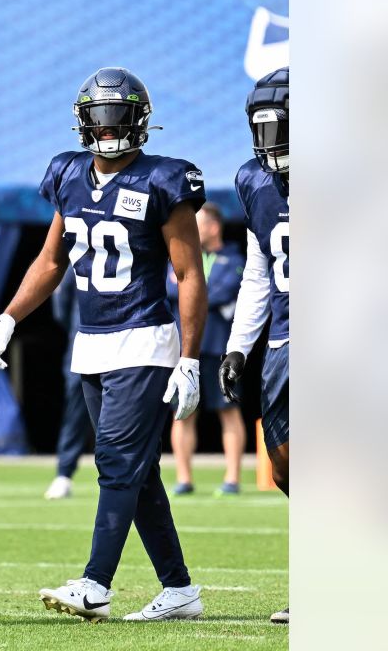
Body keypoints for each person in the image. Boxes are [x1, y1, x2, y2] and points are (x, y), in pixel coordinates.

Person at [0, 67, 208, 622]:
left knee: (114, 462)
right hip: (91, 343)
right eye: (100, 119)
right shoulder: (67, 174)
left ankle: (96, 584)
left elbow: (190, 273)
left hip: (144, 340)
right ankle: (179, 590)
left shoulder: (165, 179)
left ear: (140, 120)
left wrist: (189, 359)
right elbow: (52, 259)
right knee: (138, 473)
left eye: (119, 118)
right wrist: (9, 316)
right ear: (84, 123)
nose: (109, 130)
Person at [219, 66, 289, 624]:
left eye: (282, 125)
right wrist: (239, 347)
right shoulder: (254, 181)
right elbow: (258, 273)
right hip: (287, 342)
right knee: (287, 467)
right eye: (263, 128)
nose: (272, 142)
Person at [165, 203, 245, 496]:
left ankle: (232, 479)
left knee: (228, 411)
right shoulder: (182, 255)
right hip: (184, 350)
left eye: (196, 224)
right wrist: (196, 290)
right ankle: (184, 479)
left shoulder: (233, 257)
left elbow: (225, 291)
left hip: (219, 348)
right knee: (182, 413)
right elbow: (169, 288)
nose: (190, 229)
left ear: (213, 227)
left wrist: (188, 288)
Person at [43, 273, 92, 500]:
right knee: (76, 413)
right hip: (83, 344)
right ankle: (64, 473)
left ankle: (125, 473)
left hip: (123, 347)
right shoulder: (76, 253)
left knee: (123, 415)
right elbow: (60, 306)